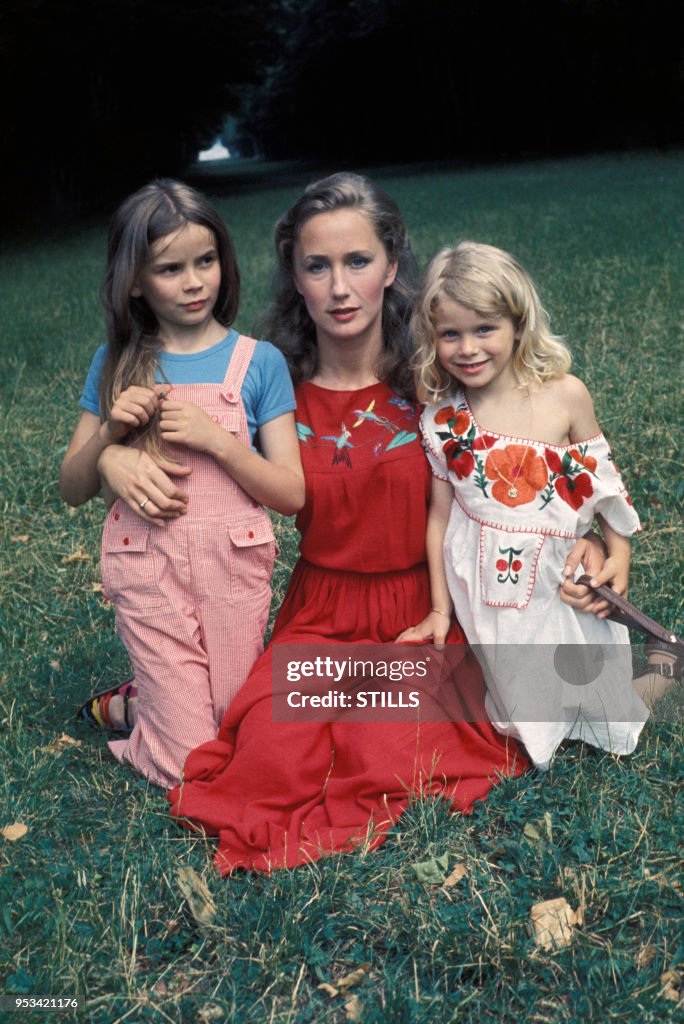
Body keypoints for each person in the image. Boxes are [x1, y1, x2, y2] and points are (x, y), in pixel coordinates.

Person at [96, 174, 608, 872]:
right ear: (295, 279)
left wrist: (599, 543)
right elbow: (174, 443)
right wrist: (110, 464)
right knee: (270, 761)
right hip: (321, 611)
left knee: (390, 751)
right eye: (317, 266)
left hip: (423, 611)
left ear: (392, 266)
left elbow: (547, 453)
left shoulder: (445, 376)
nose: (340, 288)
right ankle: (149, 703)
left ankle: (148, 704)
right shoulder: (270, 388)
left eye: (358, 262)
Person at [61, 180, 305, 788]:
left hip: (233, 569)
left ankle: (141, 704)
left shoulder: (260, 363)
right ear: (136, 281)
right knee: (191, 765)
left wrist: (217, 439)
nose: (195, 282)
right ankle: (162, 712)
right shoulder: (117, 362)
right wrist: (111, 440)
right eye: (170, 269)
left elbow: (290, 493)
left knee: (236, 727)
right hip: (147, 569)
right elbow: (72, 485)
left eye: (206, 261)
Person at [402, 241, 668, 769]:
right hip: (488, 581)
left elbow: (603, 482)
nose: (468, 348)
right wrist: (439, 608)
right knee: (525, 711)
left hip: (559, 575)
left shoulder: (563, 395)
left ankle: (661, 673)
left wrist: (619, 554)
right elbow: (439, 517)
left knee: (603, 704)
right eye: (450, 334)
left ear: (518, 325)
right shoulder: (442, 419)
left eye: (485, 329)